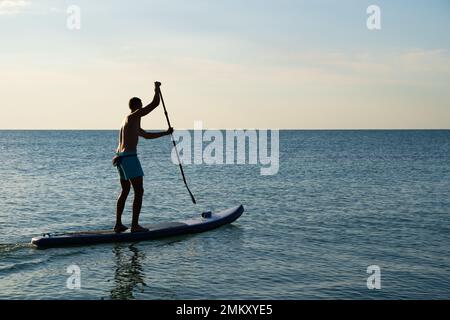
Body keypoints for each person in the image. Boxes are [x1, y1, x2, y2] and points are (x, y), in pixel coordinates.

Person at [112, 81, 173, 233]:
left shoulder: (129, 122)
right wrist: (157, 89)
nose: (142, 107)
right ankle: (135, 226)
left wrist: (165, 133)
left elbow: (146, 135)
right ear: (135, 106)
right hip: (130, 158)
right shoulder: (133, 116)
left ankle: (118, 224)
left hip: (120, 158)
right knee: (139, 191)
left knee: (125, 191)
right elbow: (154, 104)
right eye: (140, 105)